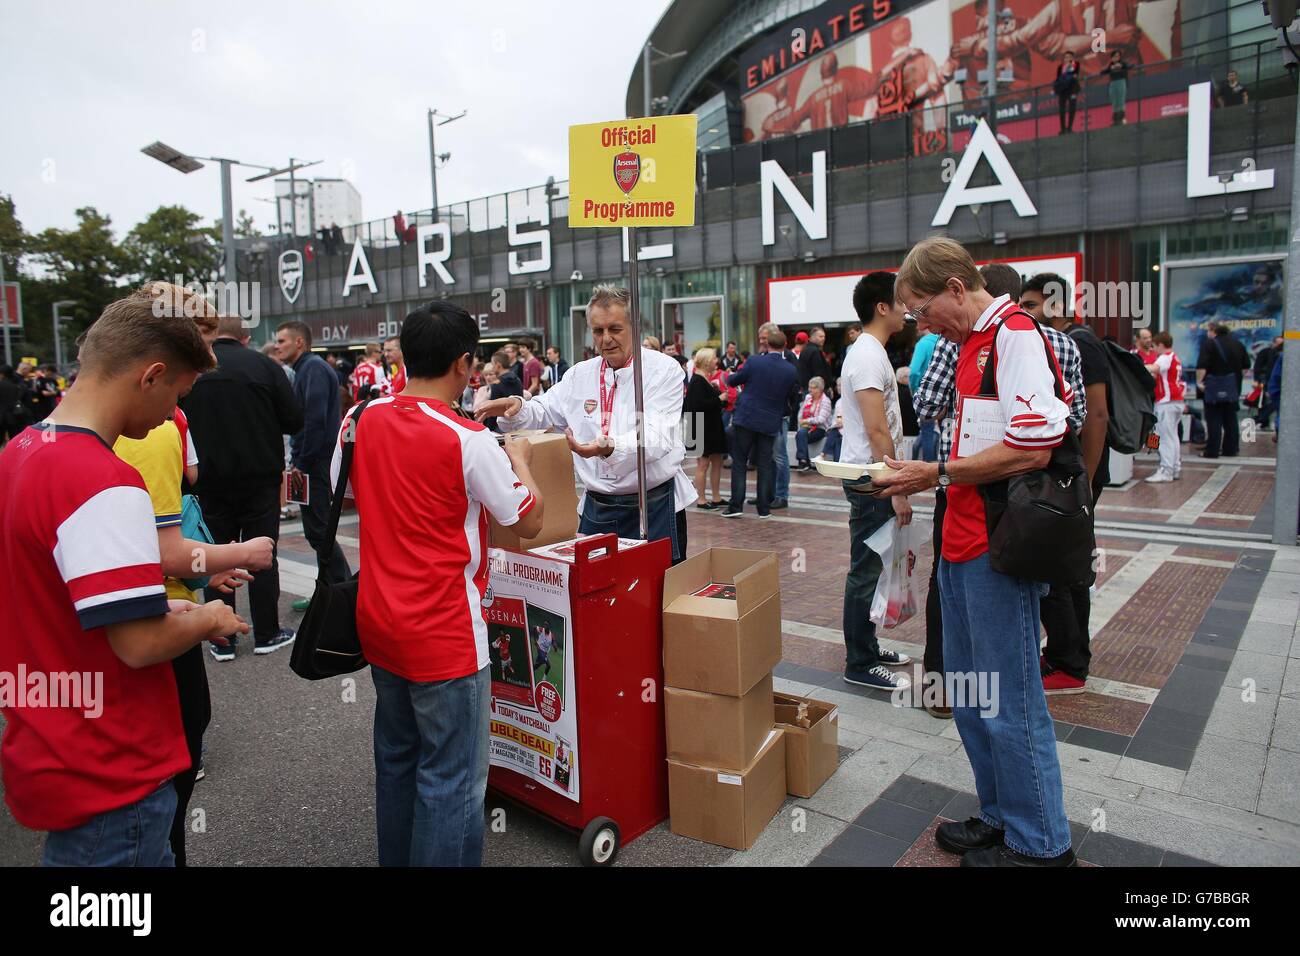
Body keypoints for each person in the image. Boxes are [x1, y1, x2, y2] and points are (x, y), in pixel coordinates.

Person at [0, 292, 248, 867]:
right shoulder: (103, 479)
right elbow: (138, 645)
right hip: (114, 762)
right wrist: (209, 615)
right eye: (177, 397)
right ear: (152, 375)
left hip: (51, 742)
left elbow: (63, 600)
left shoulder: (21, 452)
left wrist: (168, 614)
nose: (170, 417)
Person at [874, 237, 1074, 867]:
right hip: (961, 543)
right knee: (969, 691)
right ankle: (1000, 815)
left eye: (922, 308)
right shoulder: (971, 345)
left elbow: (1034, 446)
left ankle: (1042, 844)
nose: (920, 323)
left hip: (998, 550)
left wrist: (932, 473)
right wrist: (934, 476)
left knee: (1010, 701)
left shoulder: (1015, 336)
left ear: (956, 288)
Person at [334, 300, 544, 867]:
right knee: (451, 782)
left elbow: (341, 494)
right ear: (464, 364)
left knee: (398, 764)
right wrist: (520, 458)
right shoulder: (469, 439)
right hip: (447, 635)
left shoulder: (360, 420)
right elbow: (527, 518)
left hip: (379, 623)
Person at [478, 285, 695, 563]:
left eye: (615, 329)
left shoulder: (663, 370)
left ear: (635, 326)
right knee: (593, 596)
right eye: (597, 331)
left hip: (653, 505)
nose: (605, 339)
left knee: (657, 595)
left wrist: (609, 448)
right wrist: (518, 408)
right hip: (597, 505)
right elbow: (545, 409)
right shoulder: (580, 374)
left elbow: (656, 437)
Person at [181, 312, 304, 660]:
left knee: (214, 553)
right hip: (258, 476)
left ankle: (222, 637)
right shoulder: (264, 367)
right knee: (261, 552)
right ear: (246, 339)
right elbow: (294, 418)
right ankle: (266, 632)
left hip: (208, 478)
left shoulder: (195, 367)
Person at [1024, 273, 1111, 698]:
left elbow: (1096, 416)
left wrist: (1086, 487)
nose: (1025, 311)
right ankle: (1069, 653)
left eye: (1032, 303)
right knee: (1069, 570)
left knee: (1062, 572)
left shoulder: (1080, 343)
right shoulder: (1069, 339)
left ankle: (1069, 663)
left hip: (1075, 477)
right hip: (1073, 476)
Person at [837, 271, 913, 692]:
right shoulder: (867, 355)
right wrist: (898, 486)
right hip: (872, 477)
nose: (906, 310)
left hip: (875, 475)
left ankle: (867, 644)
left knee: (874, 566)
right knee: (865, 571)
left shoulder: (872, 352)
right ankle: (860, 661)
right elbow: (877, 428)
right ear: (882, 307)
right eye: (900, 302)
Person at [276, 320, 350, 591]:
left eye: (282, 340)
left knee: (319, 530)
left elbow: (315, 420)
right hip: (312, 460)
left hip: (315, 462)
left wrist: (301, 462)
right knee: (318, 530)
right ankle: (332, 587)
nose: (277, 345)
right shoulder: (308, 368)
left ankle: (338, 588)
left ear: (299, 342)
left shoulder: (313, 369)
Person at [722, 327, 798, 519]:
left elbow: (734, 380)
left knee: (739, 462)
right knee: (765, 465)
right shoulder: (790, 370)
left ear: (767, 344)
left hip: (746, 418)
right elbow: (792, 398)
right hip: (770, 421)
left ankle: (736, 505)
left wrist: (726, 376)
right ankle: (764, 509)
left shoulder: (755, 361)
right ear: (785, 345)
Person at [1196, 323, 1248, 458]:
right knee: (1231, 419)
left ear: (1214, 331)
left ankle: (1212, 450)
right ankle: (1230, 449)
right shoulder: (1238, 344)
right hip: (1232, 388)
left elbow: (1202, 366)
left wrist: (1199, 382)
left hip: (1213, 388)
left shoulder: (1209, 344)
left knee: (1214, 419)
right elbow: (1246, 366)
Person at [685, 347, 726, 510]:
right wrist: (719, 399)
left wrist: (720, 400)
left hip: (710, 426)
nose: (717, 361)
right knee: (703, 464)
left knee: (717, 462)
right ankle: (701, 499)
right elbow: (697, 406)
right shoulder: (697, 380)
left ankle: (716, 496)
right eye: (715, 358)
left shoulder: (705, 379)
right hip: (700, 427)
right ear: (707, 361)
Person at [1145, 331, 1185, 483]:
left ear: (1161, 345)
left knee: (1164, 438)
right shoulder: (1175, 357)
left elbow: (1154, 368)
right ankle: (1174, 468)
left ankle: (1166, 470)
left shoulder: (1165, 357)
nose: (1154, 349)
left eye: (1155, 346)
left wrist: (1139, 366)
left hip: (1166, 402)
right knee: (1173, 437)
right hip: (1176, 401)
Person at [909, 329, 940, 461]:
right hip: (944, 390)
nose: (916, 327)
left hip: (926, 393)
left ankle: (928, 465)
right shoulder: (943, 341)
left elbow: (914, 371)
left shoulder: (922, 344)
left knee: (926, 431)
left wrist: (914, 389)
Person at [794, 376, 833, 471]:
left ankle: (804, 461)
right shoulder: (808, 397)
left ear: (819, 389)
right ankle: (804, 461)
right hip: (806, 427)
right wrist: (801, 421)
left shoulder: (825, 401)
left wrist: (807, 421)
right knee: (801, 433)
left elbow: (821, 419)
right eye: (809, 387)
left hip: (820, 428)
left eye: (812, 387)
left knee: (801, 435)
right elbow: (801, 412)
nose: (809, 389)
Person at [483, 349, 524, 432]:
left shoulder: (497, 384)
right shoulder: (518, 380)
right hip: (519, 425)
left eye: (492, 364)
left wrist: (488, 430)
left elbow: (493, 410)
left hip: (501, 427)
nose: (492, 367)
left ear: (498, 365)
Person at [1254, 335, 1283, 429]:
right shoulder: (1268, 353)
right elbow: (1258, 366)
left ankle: (1261, 419)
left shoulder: (1277, 354)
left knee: (1270, 402)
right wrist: (1257, 380)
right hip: (1267, 381)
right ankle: (1261, 419)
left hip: (1271, 381)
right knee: (1266, 401)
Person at [797, 326, 832, 395]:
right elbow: (819, 372)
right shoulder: (815, 351)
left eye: (824, 337)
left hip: (807, 389)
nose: (823, 339)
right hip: (816, 391)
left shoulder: (804, 350)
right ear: (812, 337)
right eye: (820, 337)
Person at [1054, 51, 1081, 134]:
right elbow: (1059, 78)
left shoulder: (1076, 64)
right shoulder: (1060, 67)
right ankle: (1063, 129)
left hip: (1072, 89)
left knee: (1072, 108)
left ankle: (1070, 128)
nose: (1067, 59)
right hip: (1062, 90)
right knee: (1062, 109)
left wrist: (1069, 70)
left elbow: (1075, 75)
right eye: (1066, 57)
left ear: (1072, 58)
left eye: (1069, 57)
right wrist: (1065, 71)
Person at [1106, 50, 1129, 125]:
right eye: (1115, 56)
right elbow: (1105, 71)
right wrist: (1111, 68)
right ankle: (1115, 120)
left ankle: (1121, 118)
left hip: (1121, 82)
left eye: (1118, 56)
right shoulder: (1110, 65)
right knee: (1115, 102)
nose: (1116, 58)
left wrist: (1121, 66)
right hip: (1113, 84)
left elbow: (1127, 67)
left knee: (1121, 101)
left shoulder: (1123, 63)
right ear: (1112, 58)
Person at [822, 396, 845, 462]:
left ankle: (823, 454)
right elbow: (836, 418)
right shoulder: (839, 401)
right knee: (837, 439)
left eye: (840, 385)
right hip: (839, 430)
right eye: (838, 385)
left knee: (834, 432)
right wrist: (836, 424)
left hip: (848, 430)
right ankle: (837, 463)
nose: (839, 388)